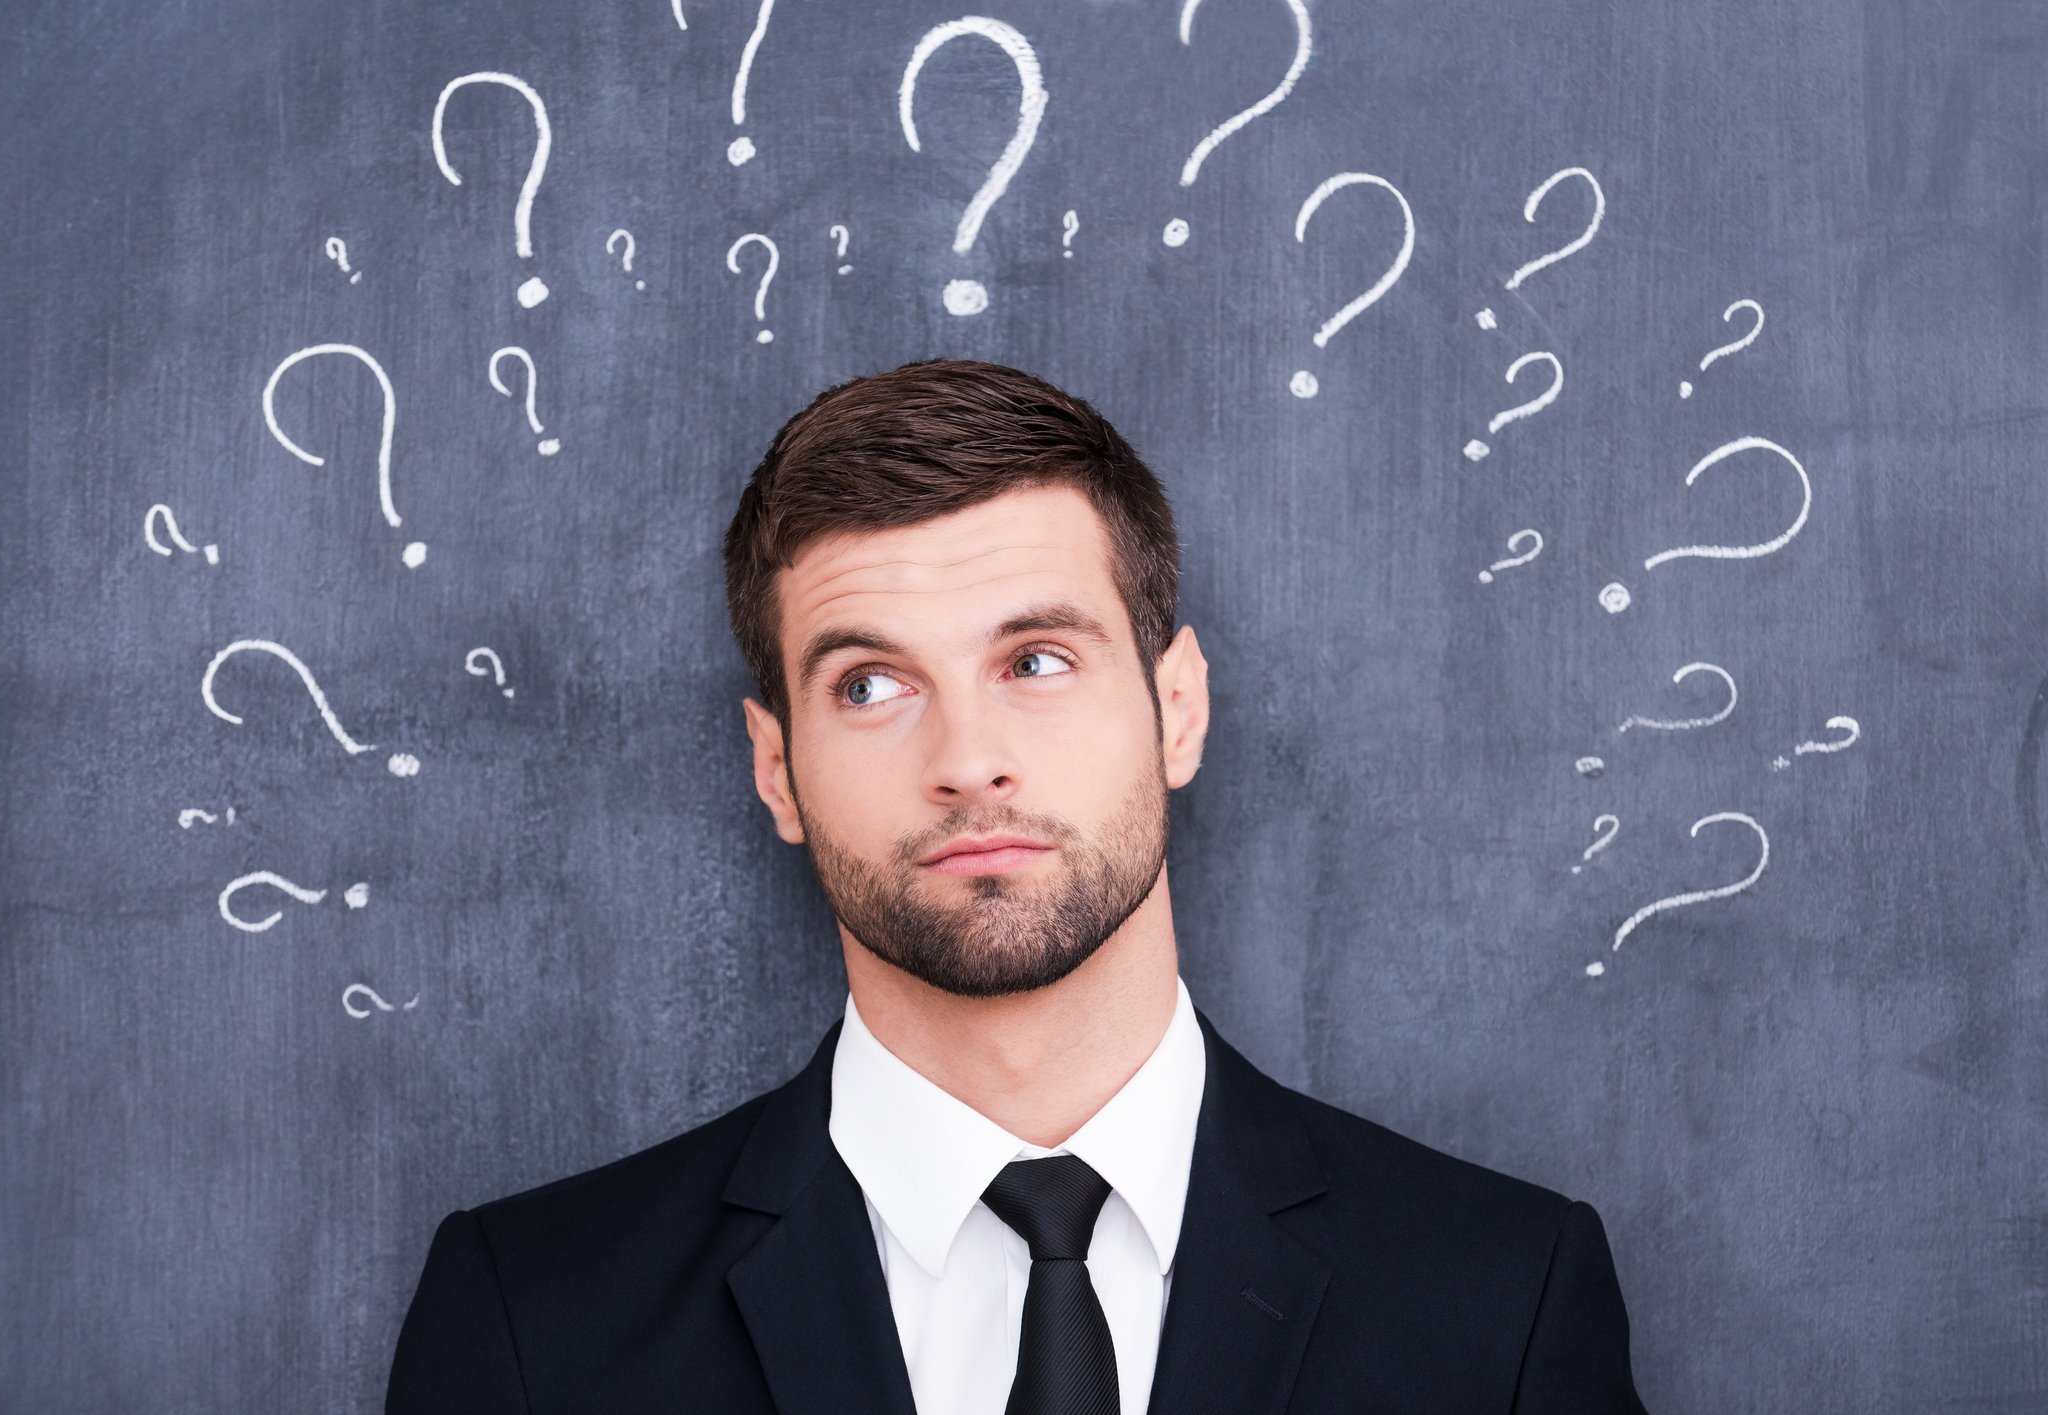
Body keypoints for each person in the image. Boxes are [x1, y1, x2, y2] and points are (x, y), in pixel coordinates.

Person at [385, 358, 1649, 1413]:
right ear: (775, 768)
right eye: (869, 685)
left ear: (1176, 705)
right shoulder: (531, 1323)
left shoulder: (1501, 1300)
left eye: (1035, 659)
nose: (966, 759)